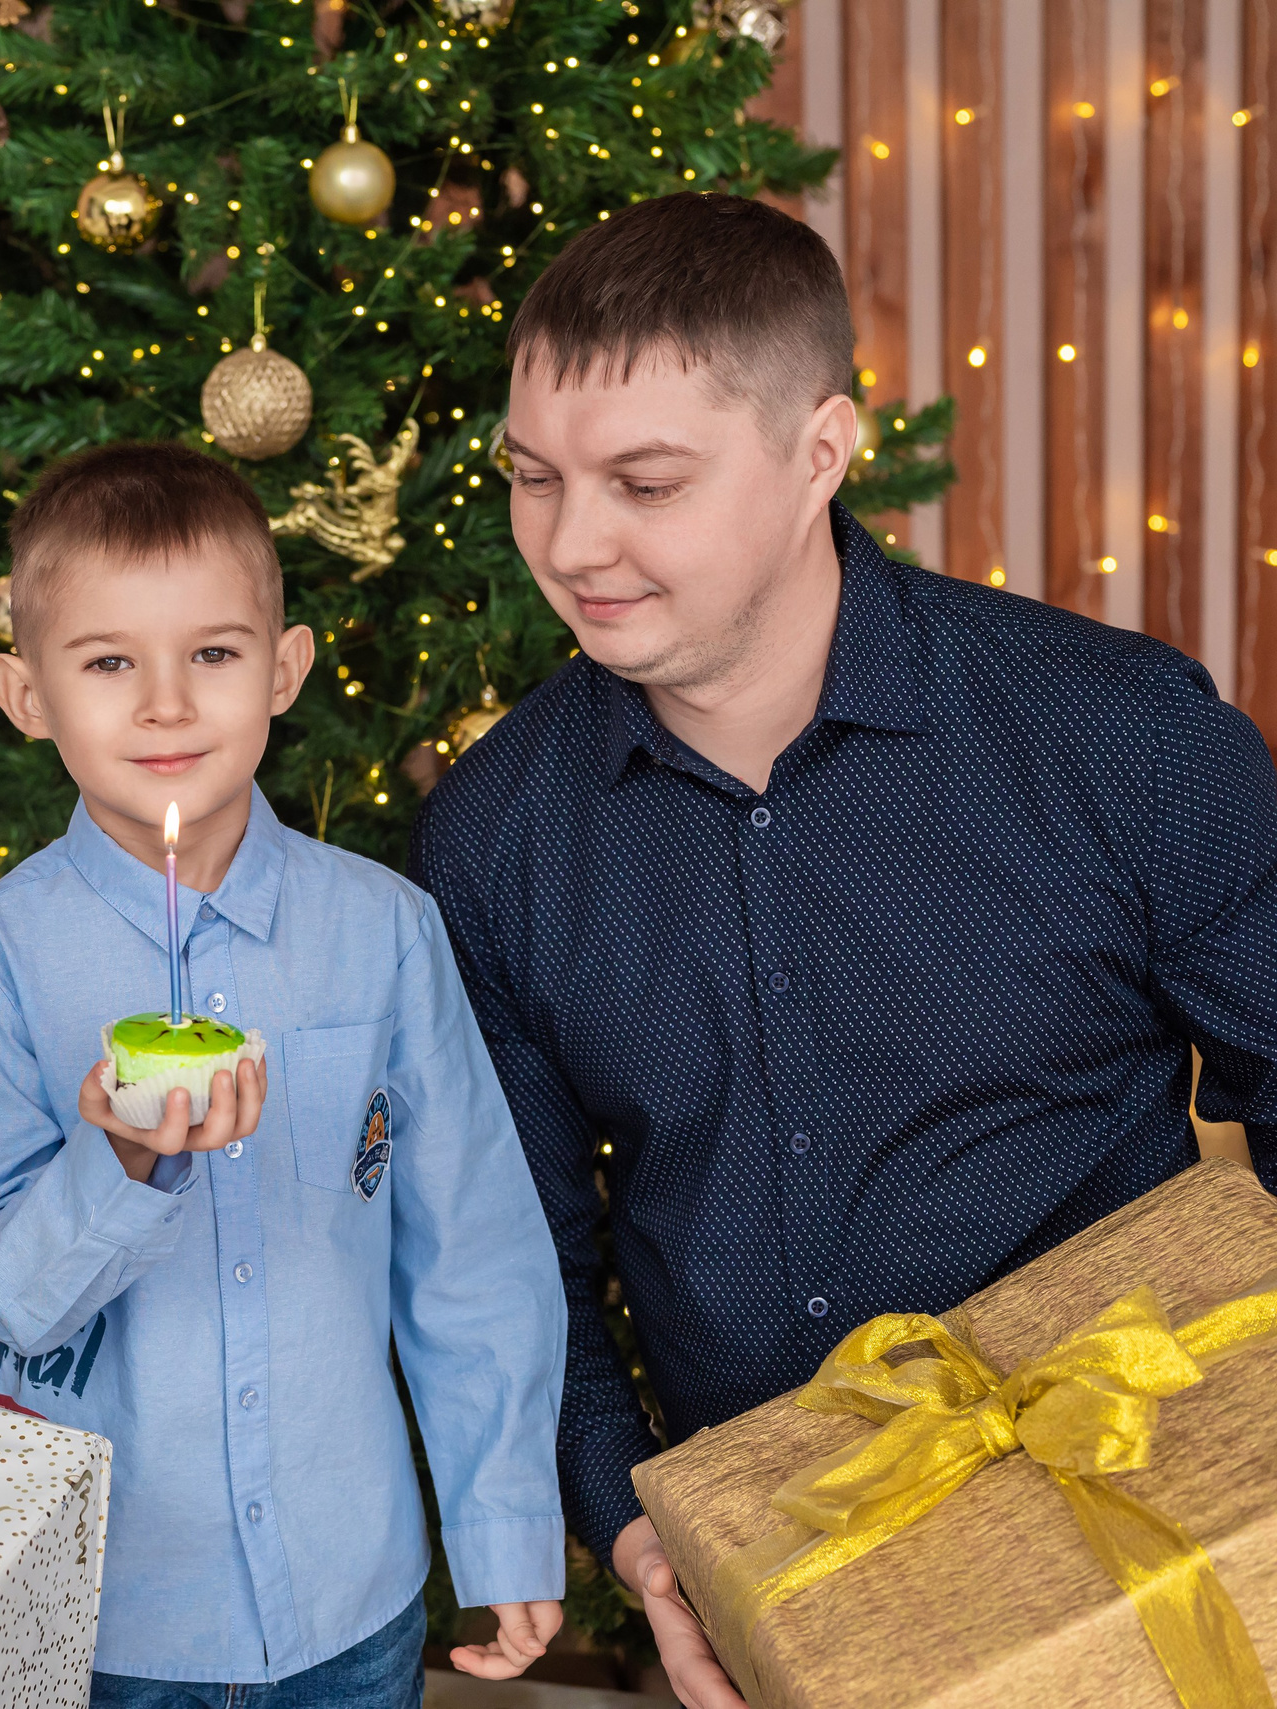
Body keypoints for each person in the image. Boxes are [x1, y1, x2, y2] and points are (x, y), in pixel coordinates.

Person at [409, 192, 1277, 1708]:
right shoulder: (492, 836)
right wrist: (635, 1533)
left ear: (821, 453)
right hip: (778, 1593)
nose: (572, 542)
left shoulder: (1125, 736)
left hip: (1154, 1546)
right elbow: (516, 1258)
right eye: (532, 478)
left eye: (646, 482)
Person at [0, 442, 569, 1707]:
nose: (165, 705)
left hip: (349, 1590)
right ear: (25, 692)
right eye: (108, 662)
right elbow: (10, 1294)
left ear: (283, 670)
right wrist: (116, 1159)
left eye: (212, 654)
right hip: (114, 1610)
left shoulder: (383, 931)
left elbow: (471, 1248)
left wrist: (499, 1527)